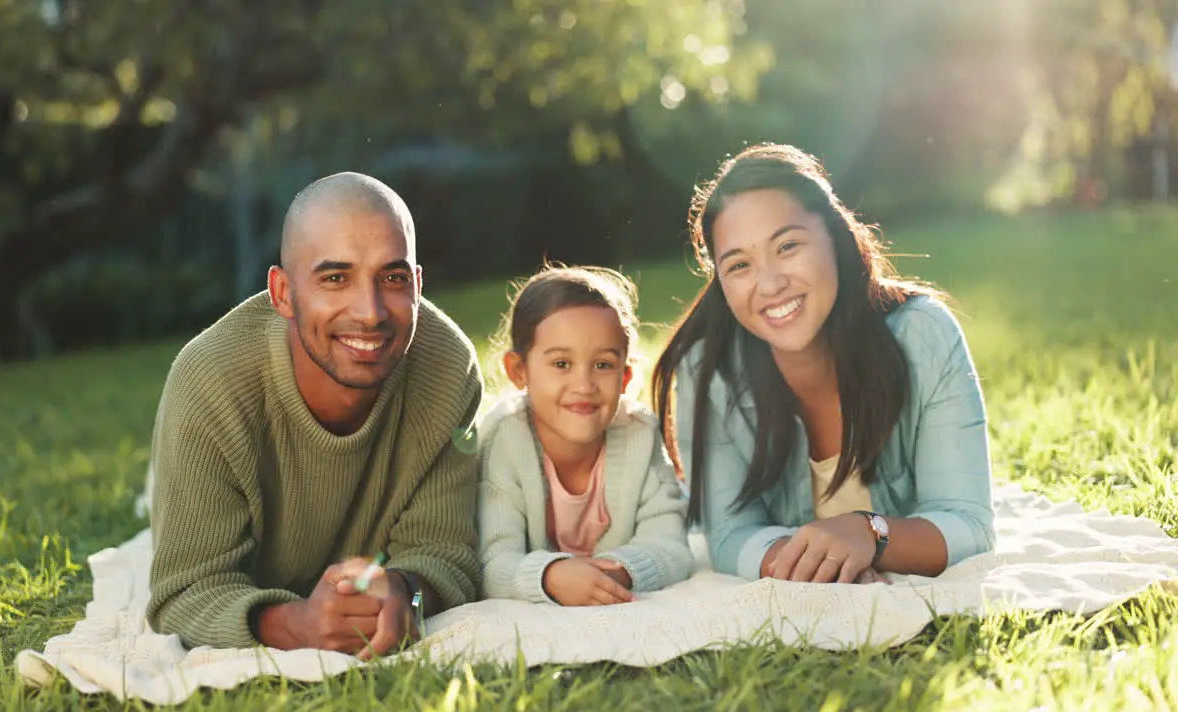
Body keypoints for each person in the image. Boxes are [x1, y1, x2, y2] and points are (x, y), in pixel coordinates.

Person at [145, 172, 483, 656]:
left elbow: (445, 554)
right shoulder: (211, 381)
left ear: (418, 284)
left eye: (392, 278)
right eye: (334, 278)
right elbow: (184, 589)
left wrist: (404, 594)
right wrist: (296, 625)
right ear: (282, 293)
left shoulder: (448, 367)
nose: (370, 312)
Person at [650, 143, 995, 585]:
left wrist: (871, 534)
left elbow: (968, 524)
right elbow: (731, 536)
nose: (770, 284)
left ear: (834, 235)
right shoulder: (707, 370)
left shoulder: (924, 334)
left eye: (788, 245)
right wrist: (823, 567)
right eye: (739, 265)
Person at [477, 264, 693, 606]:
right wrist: (550, 577)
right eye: (561, 364)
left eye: (603, 365)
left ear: (625, 377)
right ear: (519, 371)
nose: (584, 385)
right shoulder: (505, 440)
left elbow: (672, 546)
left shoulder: (639, 434)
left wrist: (615, 573)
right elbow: (492, 563)